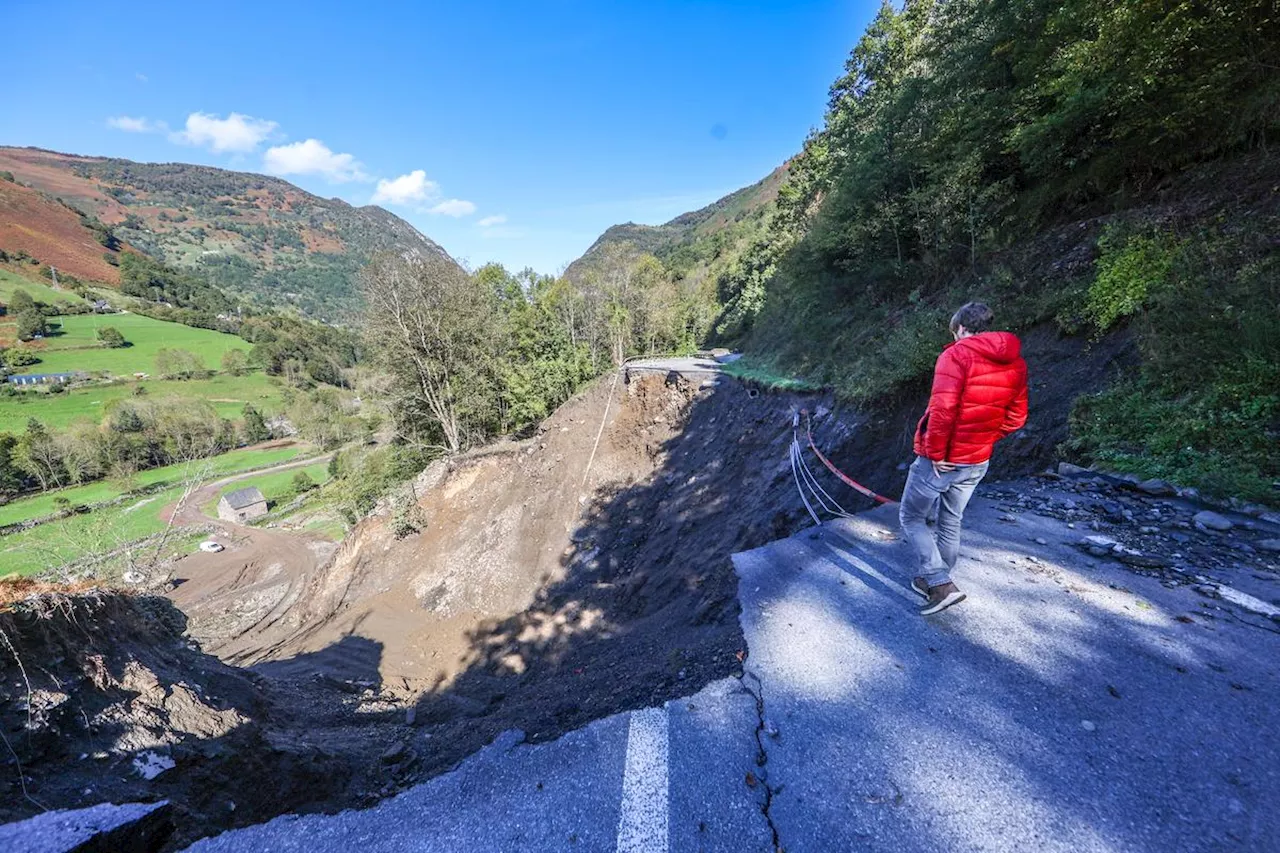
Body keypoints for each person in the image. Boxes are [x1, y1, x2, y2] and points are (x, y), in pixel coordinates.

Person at [901, 302, 1028, 616]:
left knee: (912, 518)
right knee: (951, 521)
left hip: (943, 460)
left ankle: (941, 584)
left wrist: (936, 454)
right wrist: (983, 439)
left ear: (960, 328)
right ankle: (933, 581)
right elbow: (1016, 418)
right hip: (977, 459)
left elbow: (943, 411)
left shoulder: (955, 355)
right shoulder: (1016, 362)